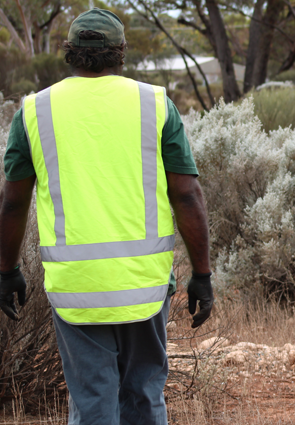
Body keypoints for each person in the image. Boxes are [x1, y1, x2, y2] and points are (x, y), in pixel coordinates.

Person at [0, 9, 213, 424]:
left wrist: (6, 270)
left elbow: (12, 202)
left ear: (70, 54)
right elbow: (187, 196)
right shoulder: (154, 103)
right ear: (121, 54)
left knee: (93, 400)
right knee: (144, 394)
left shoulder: (33, 111)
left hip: (76, 287)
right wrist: (202, 274)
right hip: (145, 284)